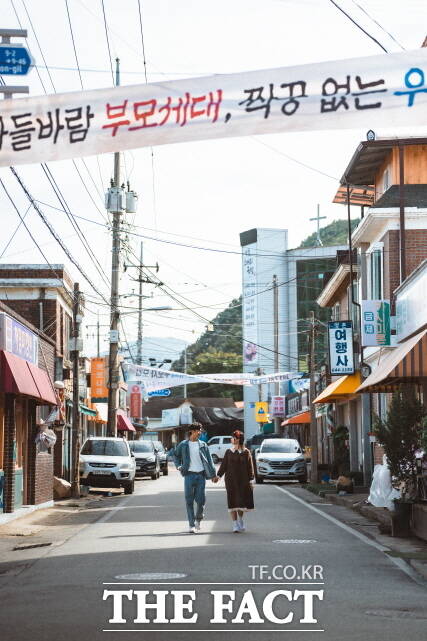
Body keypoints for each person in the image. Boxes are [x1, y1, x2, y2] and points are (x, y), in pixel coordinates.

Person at [173, 423, 218, 533]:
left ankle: (198, 518)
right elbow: (175, 455)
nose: (200, 432)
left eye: (200, 430)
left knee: (201, 500)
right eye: (198, 431)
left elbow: (209, 460)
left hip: (201, 475)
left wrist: (213, 475)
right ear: (192, 431)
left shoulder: (203, 445)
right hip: (188, 475)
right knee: (189, 501)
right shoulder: (183, 445)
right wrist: (179, 466)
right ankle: (191, 524)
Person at [214, 429, 254, 533]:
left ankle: (240, 520)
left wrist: (251, 480)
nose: (231, 439)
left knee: (241, 503)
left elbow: (250, 467)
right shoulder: (229, 452)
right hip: (231, 481)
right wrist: (218, 476)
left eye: (233, 438)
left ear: (238, 440)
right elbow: (223, 466)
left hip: (243, 481)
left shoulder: (246, 452)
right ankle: (235, 524)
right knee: (232, 502)